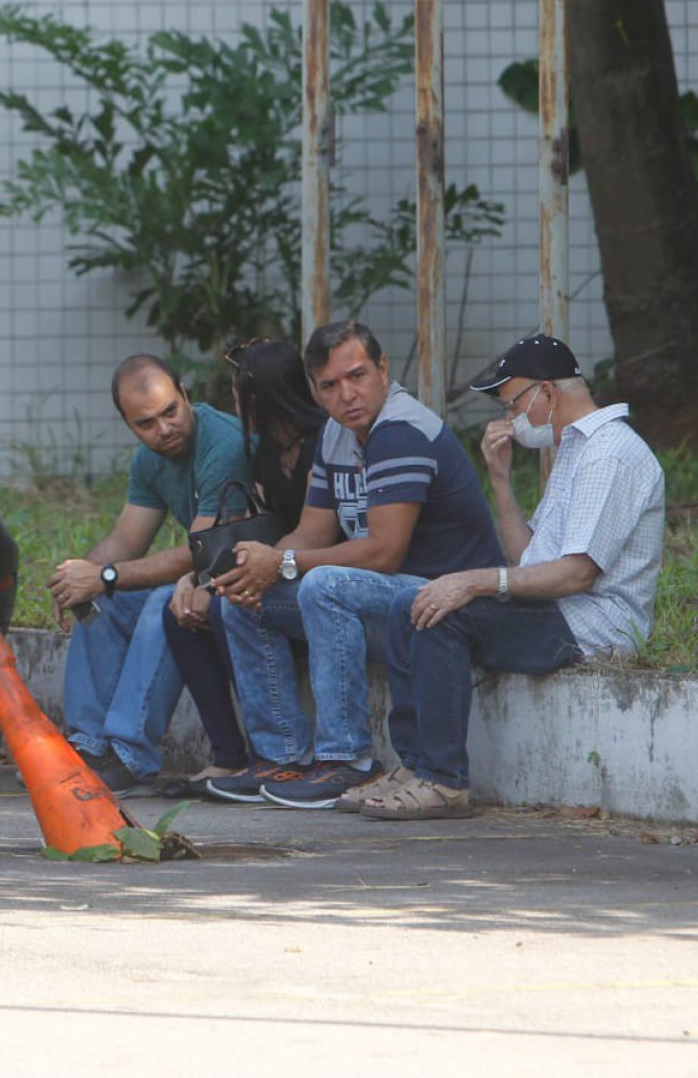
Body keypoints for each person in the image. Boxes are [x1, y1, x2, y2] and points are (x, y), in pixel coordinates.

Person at [360, 333, 665, 821]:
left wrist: (473, 582)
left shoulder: (610, 454)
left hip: (593, 626)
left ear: (547, 393)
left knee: (444, 615)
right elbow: (531, 562)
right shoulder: (574, 451)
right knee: (411, 604)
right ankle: (415, 766)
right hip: (556, 609)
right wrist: (499, 480)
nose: (509, 419)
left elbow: (576, 575)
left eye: (512, 404)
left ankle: (443, 781)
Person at [205, 320, 503, 810]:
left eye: (358, 376)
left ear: (383, 370)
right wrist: (260, 568)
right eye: (330, 385)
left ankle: (348, 761)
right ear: (316, 392)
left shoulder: (401, 431)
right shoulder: (337, 436)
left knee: (323, 584)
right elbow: (313, 532)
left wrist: (281, 560)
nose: (347, 394)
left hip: (441, 600)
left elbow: (384, 551)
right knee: (245, 600)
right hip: (386, 598)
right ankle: (282, 756)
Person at [47, 355, 250, 794]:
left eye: (170, 412)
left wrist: (103, 575)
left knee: (162, 601)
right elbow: (124, 540)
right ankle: (88, 744)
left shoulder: (223, 444)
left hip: (244, 578)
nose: (164, 429)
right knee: (96, 600)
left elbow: (202, 552)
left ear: (185, 393)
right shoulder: (149, 461)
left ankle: (128, 753)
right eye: (146, 423)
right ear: (128, 423)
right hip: (206, 580)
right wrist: (79, 579)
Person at [159, 339, 326, 797]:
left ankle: (282, 756)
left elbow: (318, 535)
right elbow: (250, 527)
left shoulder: (321, 446)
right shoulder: (264, 451)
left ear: (257, 400)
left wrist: (238, 580)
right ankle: (230, 758)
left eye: (238, 394)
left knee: (230, 606)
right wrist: (195, 578)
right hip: (276, 563)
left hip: (317, 569)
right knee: (179, 612)